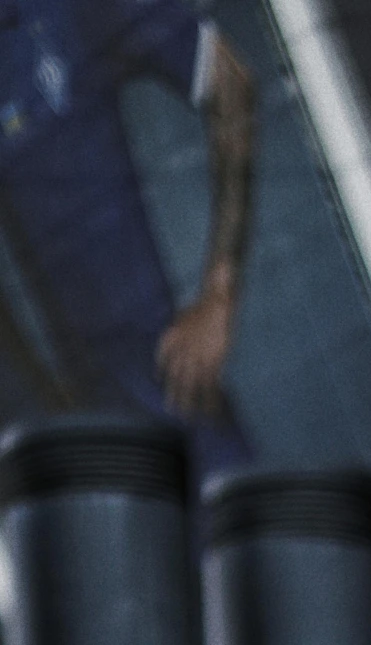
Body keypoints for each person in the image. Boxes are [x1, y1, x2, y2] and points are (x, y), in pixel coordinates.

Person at [0, 0, 254, 473]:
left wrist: (221, 293)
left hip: (177, 396)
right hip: (85, 434)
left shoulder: (73, 11)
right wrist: (43, 398)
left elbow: (229, 82)